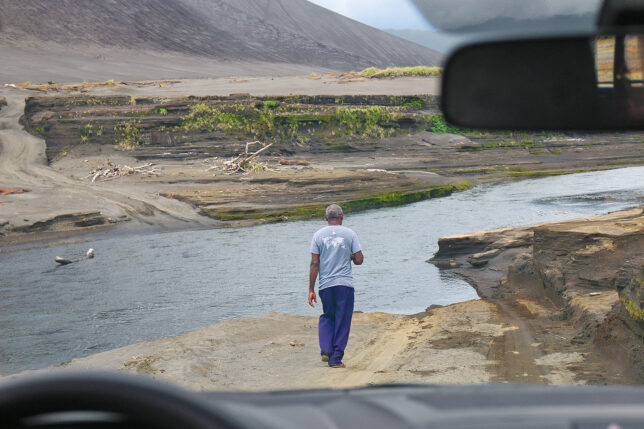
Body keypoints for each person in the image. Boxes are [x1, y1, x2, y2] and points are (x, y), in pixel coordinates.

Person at [308, 204, 363, 368]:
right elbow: (359, 260)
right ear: (342, 217)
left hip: (325, 285)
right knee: (342, 320)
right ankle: (335, 359)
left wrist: (311, 289)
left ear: (326, 218)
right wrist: (351, 257)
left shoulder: (317, 235)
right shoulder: (350, 234)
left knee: (328, 316)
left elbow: (314, 263)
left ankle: (326, 349)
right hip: (344, 285)